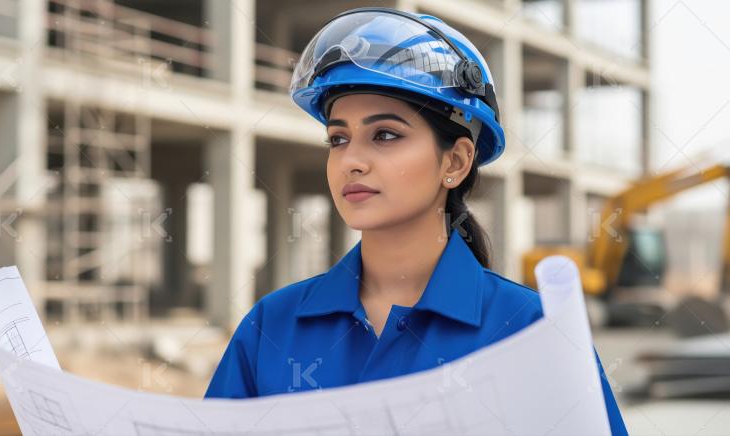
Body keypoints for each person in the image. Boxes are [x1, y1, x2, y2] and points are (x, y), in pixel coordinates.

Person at [204, 7, 627, 434]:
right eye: (338, 138)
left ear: (456, 161)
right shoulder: (273, 327)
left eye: (385, 134)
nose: (351, 160)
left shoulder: (528, 329)